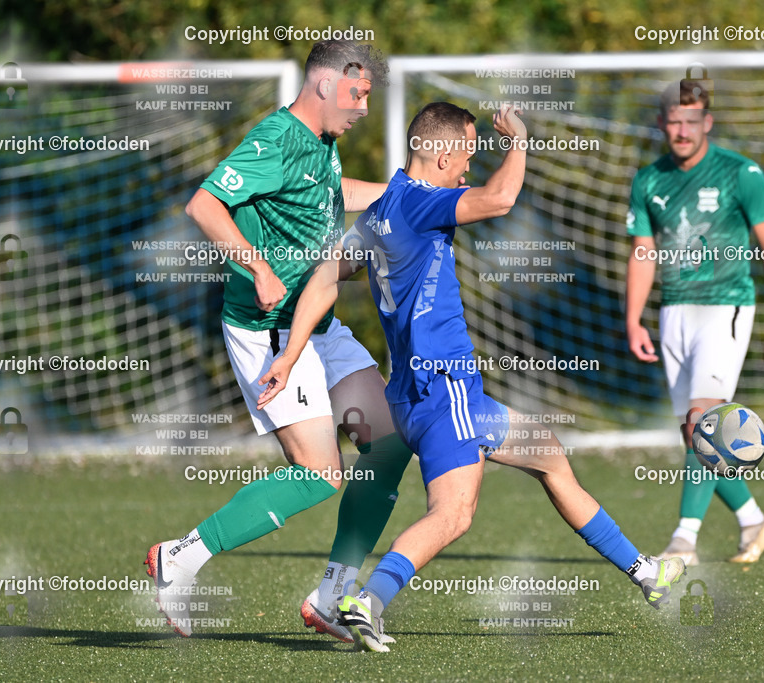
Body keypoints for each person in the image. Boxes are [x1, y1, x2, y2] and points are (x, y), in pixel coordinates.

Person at [258, 102, 686, 653]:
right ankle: (367, 601)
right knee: (454, 514)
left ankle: (645, 573)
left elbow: (324, 278)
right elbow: (502, 198)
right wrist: (520, 141)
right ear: (439, 154)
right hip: (447, 391)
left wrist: (291, 353)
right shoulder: (420, 205)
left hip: (414, 396)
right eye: (465, 153)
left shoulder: (382, 210)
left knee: (550, 457)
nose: (467, 168)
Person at [144, 39, 412, 643]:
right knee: (320, 474)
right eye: (358, 92)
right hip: (268, 332)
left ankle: (331, 596)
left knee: (390, 446)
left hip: (317, 324)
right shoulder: (276, 139)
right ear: (324, 84)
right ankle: (181, 557)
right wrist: (258, 268)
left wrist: (416, 199)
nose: (365, 107)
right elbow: (205, 204)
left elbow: (330, 199)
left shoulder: (323, 146)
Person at [625, 80, 764, 565]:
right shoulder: (648, 180)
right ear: (661, 123)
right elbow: (642, 253)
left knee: (704, 422)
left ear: (708, 122)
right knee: (695, 437)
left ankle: (684, 541)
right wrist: (634, 318)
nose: (682, 130)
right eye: (673, 120)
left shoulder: (741, 173)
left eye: (692, 120)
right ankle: (753, 522)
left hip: (726, 307)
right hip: (674, 312)